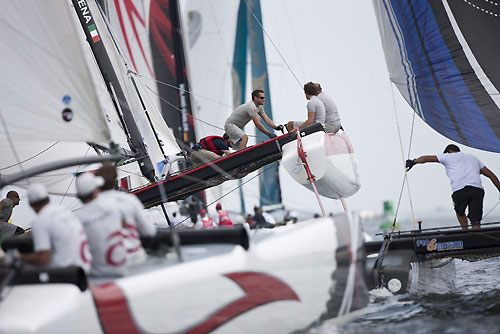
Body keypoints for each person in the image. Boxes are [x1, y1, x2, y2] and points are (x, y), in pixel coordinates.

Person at [406, 144, 500, 230]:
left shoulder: (448, 156)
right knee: (475, 220)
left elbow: (427, 158)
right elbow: (491, 175)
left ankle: (466, 233)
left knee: (460, 213)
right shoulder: (473, 158)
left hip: (460, 190)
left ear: (449, 151)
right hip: (477, 190)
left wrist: (413, 162)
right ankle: (476, 237)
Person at [95, 164, 157, 264]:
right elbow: (149, 231)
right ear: (115, 179)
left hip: (111, 263)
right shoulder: (129, 200)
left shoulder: (91, 209)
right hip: (136, 258)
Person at [21, 184, 91, 272]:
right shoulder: (65, 212)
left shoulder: (40, 221)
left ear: (30, 204)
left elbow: (43, 259)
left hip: (69, 274)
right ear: (48, 198)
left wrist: (19, 257)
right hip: (86, 268)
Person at [75, 172, 127, 277]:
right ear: (96, 191)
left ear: (79, 196)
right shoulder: (114, 206)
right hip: (124, 266)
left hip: (99, 274)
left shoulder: (76, 220)